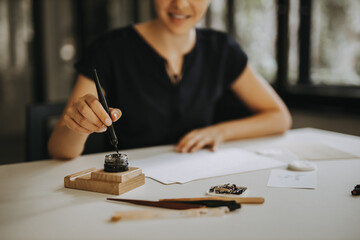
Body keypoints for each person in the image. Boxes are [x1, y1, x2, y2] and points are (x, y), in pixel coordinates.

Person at [48, 0, 292, 160]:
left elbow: (279, 117)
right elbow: (60, 149)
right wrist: (78, 125)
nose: (181, 4)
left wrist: (220, 132)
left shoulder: (221, 49)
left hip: (197, 183)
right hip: (130, 186)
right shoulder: (109, 49)